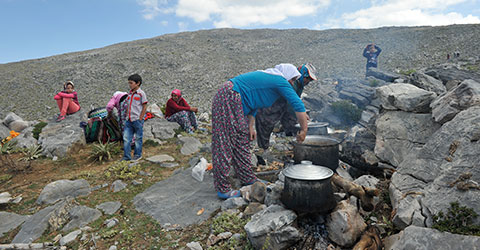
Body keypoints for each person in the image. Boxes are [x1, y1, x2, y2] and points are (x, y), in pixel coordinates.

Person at [211, 63, 309, 199]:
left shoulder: (273, 82)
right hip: (229, 95)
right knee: (225, 142)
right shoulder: (279, 80)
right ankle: (223, 189)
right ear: (286, 75)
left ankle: (248, 178)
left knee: (243, 141)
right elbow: (297, 104)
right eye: (292, 79)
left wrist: (250, 127)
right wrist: (304, 130)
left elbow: (254, 103)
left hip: (237, 101)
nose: (292, 83)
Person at [255, 63, 318, 149]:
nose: (308, 81)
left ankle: (292, 139)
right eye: (307, 78)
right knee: (266, 124)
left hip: (283, 106)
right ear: (302, 74)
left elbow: (295, 100)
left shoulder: (300, 84)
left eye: (310, 80)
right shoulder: (292, 81)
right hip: (271, 105)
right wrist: (301, 114)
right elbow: (291, 102)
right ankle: (263, 148)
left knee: (291, 121)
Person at [122, 74, 148, 161]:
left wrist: (140, 118)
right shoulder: (129, 93)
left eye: (131, 83)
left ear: (138, 83)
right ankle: (126, 156)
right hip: (129, 119)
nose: (129, 85)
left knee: (138, 138)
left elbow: (144, 106)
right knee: (126, 138)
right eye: (129, 83)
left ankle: (137, 155)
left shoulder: (141, 94)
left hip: (137, 120)